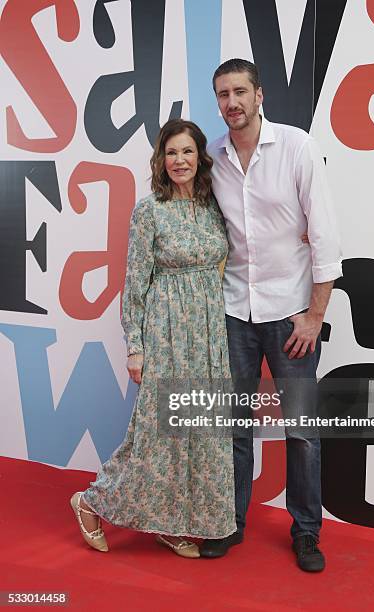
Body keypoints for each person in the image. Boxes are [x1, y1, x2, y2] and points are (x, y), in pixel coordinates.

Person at [200, 59, 342, 572]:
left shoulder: (298, 147)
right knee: (233, 425)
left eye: (240, 92)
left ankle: (306, 532)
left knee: (302, 429)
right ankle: (230, 523)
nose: (231, 102)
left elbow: (325, 237)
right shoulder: (211, 155)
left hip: (289, 315)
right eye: (222, 95)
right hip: (234, 311)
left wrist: (313, 317)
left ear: (259, 95)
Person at [70, 119, 236, 558]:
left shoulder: (212, 206)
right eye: (170, 153)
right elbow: (136, 282)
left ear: (200, 157)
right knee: (157, 437)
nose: (179, 161)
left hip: (208, 334)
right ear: (161, 161)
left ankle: (171, 522)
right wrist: (136, 348)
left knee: (199, 434)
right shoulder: (150, 211)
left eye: (186, 152)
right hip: (166, 332)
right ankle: (90, 502)